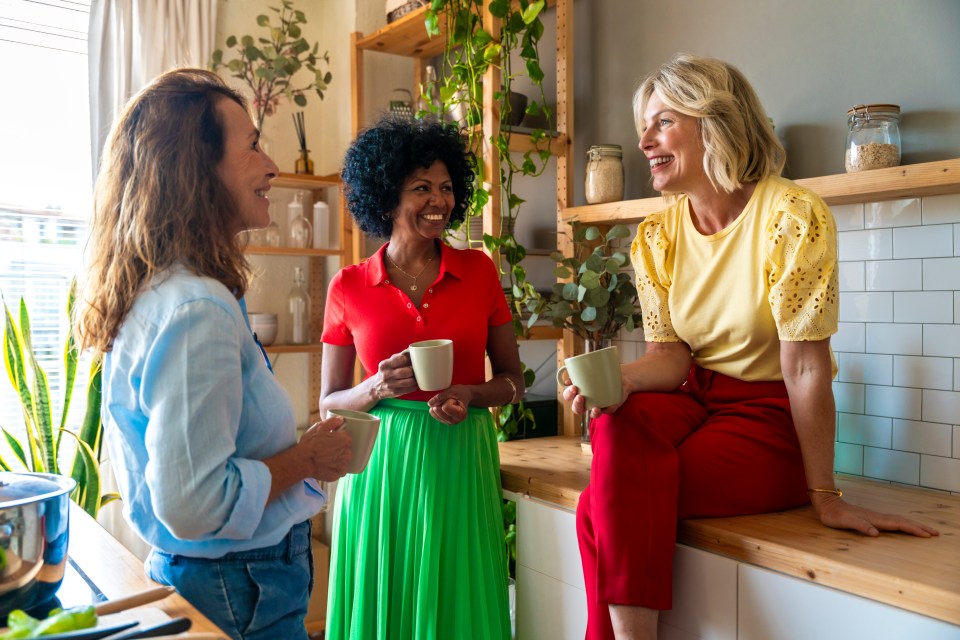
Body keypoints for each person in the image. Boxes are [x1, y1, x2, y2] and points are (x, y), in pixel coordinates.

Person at [564, 54, 940, 640]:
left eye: (662, 122)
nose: (643, 140)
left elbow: (806, 367)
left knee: (601, 507)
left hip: (769, 419)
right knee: (616, 425)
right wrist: (622, 380)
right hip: (695, 402)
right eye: (645, 125)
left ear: (713, 123)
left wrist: (826, 494)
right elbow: (670, 356)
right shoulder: (657, 237)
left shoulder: (789, 216)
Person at [74, 68, 353, 640]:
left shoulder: (171, 292)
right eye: (251, 144)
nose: (272, 165)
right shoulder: (196, 308)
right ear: (197, 171)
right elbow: (195, 501)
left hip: (226, 581)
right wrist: (305, 460)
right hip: (239, 587)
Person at [321, 115, 523, 639]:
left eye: (446, 188)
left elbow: (511, 381)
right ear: (387, 195)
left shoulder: (479, 272)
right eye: (421, 188)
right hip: (380, 468)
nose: (439, 201)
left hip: (460, 457)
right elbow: (329, 403)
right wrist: (376, 387)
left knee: (459, 603)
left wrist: (469, 393)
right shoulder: (348, 287)